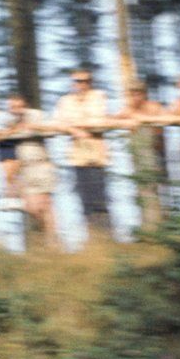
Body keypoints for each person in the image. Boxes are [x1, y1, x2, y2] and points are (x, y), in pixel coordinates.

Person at [55, 68, 111, 235]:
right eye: (77, 81)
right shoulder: (65, 101)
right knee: (84, 200)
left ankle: (106, 237)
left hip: (97, 154)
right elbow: (58, 122)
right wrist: (74, 130)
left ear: (90, 82)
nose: (81, 84)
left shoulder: (98, 96)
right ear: (72, 83)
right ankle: (92, 238)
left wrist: (77, 123)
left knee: (99, 198)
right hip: (77, 156)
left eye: (85, 81)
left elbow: (100, 119)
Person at [113, 81, 167, 227]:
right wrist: (124, 123)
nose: (136, 97)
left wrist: (144, 120)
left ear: (144, 94)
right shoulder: (128, 110)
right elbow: (110, 119)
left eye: (138, 93)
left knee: (156, 189)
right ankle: (148, 227)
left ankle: (160, 226)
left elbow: (166, 119)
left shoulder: (154, 107)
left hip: (156, 153)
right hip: (138, 157)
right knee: (142, 189)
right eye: (133, 94)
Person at [10, 98, 60, 250]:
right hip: (25, 168)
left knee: (46, 204)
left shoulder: (37, 115)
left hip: (41, 164)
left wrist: (32, 127)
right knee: (31, 207)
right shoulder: (11, 122)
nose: (17, 109)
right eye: (13, 107)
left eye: (20, 106)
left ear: (25, 106)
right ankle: (42, 238)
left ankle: (52, 242)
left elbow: (52, 129)